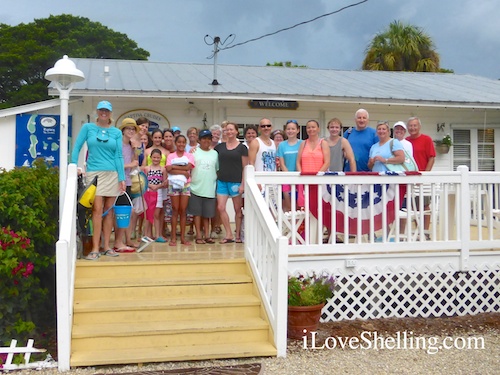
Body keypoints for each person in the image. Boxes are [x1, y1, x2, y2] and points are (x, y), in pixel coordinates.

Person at [70, 100, 124, 260]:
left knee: (109, 211)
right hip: (94, 173)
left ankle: (107, 246)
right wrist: (73, 165)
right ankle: (95, 248)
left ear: (110, 113)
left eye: (107, 110)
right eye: (101, 110)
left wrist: (122, 178)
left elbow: (119, 155)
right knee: (97, 209)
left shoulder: (116, 132)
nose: (104, 113)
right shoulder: (88, 128)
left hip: (112, 173)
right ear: (97, 112)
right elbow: (77, 146)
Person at [214, 122, 248, 243]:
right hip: (222, 181)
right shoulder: (220, 147)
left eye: (231, 130)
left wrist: (243, 184)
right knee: (221, 207)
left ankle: (237, 234)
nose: (229, 132)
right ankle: (228, 234)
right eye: (227, 130)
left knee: (237, 209)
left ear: (236, 131)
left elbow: (245, 167)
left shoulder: (242, 148)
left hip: (236, 182)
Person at [113, 118, 142, 252]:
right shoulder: (117, 144)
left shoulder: (131, 145)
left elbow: (135, 163)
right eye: (128, 129)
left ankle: (127, 239)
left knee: (127, 212)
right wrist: (129, 165)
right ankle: (118, 241)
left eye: (133, 129)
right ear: (123, 130)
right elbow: (114, 164)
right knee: (120, 212)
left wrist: (136, 148)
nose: (130, 131)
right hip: (119, 181)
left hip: (129, 181)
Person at [406, 116, 436, 238]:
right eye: (410, 126)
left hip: (423, 178)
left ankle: (425, 232)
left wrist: (425, 175)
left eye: (415, 125)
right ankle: (417, 231)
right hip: (409, 178)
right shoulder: (406, 141)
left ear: (419, 126)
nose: (412, 128)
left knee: (424, 205)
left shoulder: (426, 139)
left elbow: (432, 158)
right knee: (413, 205)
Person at [187, 129, 219, 244]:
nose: (206, 141)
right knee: (197, 214)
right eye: (204, 138)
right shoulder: (193, 152)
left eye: (208, 139)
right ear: (199, 140)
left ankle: (207, 235)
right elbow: (188, 168)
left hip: (210, 188)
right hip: (195, 187)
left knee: (208, 215)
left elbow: (217, 170)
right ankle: (198, 236)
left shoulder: (215, 153)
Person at [166, 134, 195, 246]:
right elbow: (168, 169)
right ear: (175, 143)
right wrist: (183, 172)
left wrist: (175, 167)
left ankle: (183, 238)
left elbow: (189, 167)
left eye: (183, 142)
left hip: (185, 185)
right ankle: (173, 237)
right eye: (179, 142)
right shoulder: (171, 156)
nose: (181, 144)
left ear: (185, 143)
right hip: (173, 184)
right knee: (175, 209)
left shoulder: (189, 155)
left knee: (183, 210)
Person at [277, 120, 302, 211]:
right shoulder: (282, 145)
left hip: (300, 178)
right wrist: (289, 177)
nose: (290, 131)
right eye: (288, 129)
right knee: (288, 206)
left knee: (299, 206)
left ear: (298, 130)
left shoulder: (302, 143)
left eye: (293, 129)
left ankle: (300, 226)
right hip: (286, 178)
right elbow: (282, 163)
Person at [143, 149, 167, 242]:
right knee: (149, 213)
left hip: (159, 192)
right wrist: (150, 186)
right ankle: (147, 234)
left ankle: (157, 235)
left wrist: (158, 186)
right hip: (149, 192)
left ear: (161, 158)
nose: (156, 159)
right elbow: (144, 181)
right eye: (154, 157)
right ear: (150, 157)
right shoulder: (147, 168)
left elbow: (164, 182)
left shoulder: (163, 169)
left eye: (158, 157)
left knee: (156, 214)